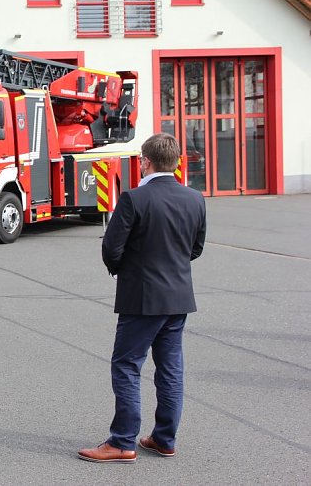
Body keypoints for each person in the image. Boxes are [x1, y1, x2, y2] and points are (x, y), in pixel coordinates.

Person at [78, 133, 207, 463]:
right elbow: (195, 248)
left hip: (142, 298)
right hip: (178, 297)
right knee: (171, 369)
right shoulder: (195, 198)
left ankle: (122, 441)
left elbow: (111, 248)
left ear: (145, 161)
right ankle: (164, 438)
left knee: (126, 366)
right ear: (176, 162)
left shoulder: (134, 198)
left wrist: (126, 269)